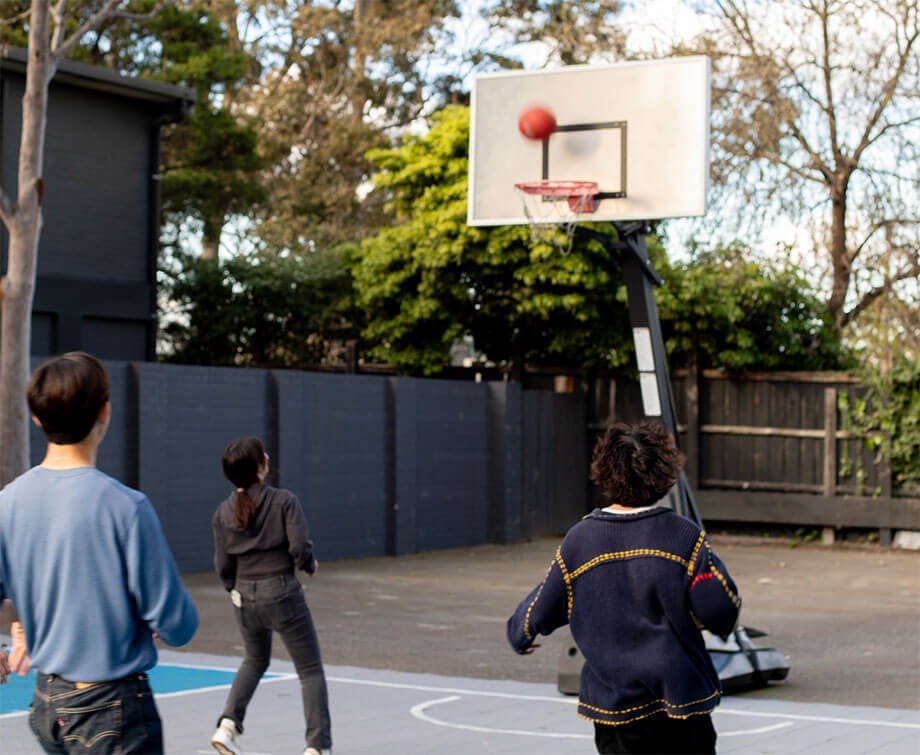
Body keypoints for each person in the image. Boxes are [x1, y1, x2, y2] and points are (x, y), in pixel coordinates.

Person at [0, 351, 199, 753]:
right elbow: (177, 624)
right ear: (104, 412)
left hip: (47, 702)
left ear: (37, 418)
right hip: (112, 709)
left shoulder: (8, 502)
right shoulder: (126, 507)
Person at [507, 421, 741, 755]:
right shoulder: (683, 536)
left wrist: (520, 632)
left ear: (603, 472)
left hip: (616, 702)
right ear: (664, 474)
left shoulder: (580, 540)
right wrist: (713, 616)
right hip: (680, 696)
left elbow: (543, 604)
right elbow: (720, 608)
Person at [210, 436, 332, 755]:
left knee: (253, 660)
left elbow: (223, 564)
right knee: (310, 671)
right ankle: (317, 747)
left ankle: (227, 726)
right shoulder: (284, 501)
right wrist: (308, 565)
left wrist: (234, 591)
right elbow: (299, 545)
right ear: (261, 468)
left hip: (244, 595)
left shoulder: (222, 512)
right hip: (280, 591)